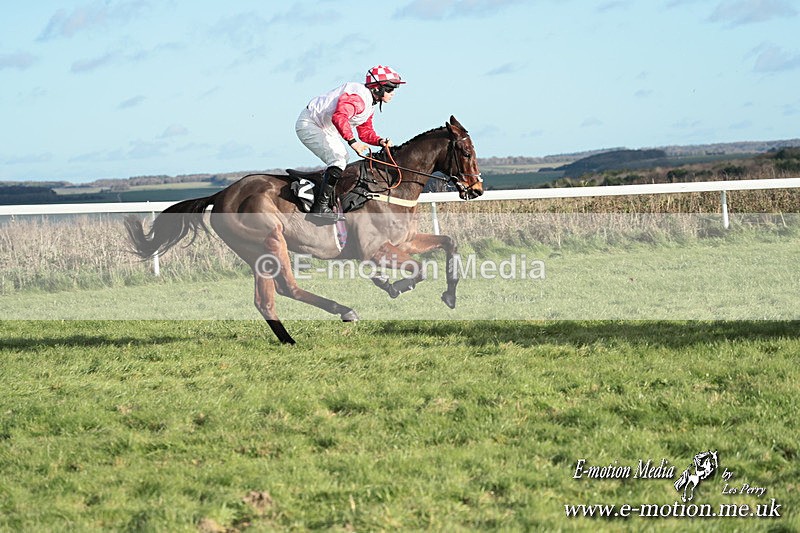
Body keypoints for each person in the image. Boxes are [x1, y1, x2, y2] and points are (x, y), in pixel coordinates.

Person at [295, 65, 405, 224]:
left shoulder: (369, 103)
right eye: (390, 89)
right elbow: (339, 117)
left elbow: (365, 131)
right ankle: (320, 207)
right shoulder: (358, 98)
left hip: (326, 128)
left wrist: (380, 141)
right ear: (377, 89)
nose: (393, 93)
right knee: (339, 160)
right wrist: (353, 143)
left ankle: (326, 198)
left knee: (342, 158)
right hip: (310, 124)